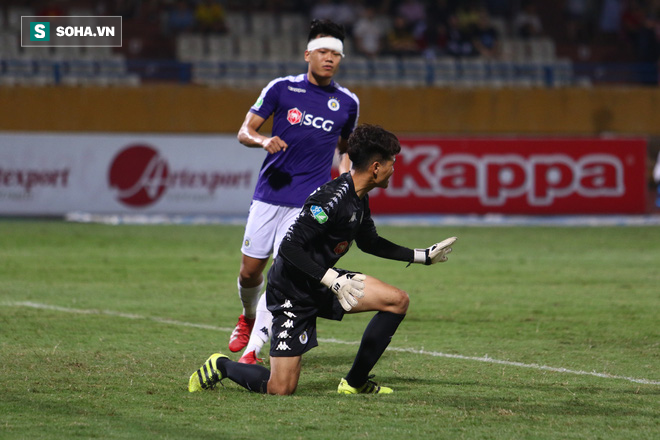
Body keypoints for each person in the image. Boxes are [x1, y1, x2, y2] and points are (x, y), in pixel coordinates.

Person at [189, 123, 457, 395]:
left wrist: (422, 256)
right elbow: (290, 249)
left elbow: (369, 242)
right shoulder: (331, 198)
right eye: (392, 163)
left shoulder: (359, 198)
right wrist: (332, 279)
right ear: (376, 167)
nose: (394, 168)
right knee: (280, 388)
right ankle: (221, 365)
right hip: (291, 289)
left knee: (397, 301)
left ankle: (354, 383)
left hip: (322, 281)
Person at [229, 19, 360, 365]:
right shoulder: (281, 89)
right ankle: (247, 317)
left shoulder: (347, 103)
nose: (329, 59)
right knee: (249, 272)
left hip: (308, 204)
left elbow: (346, 149)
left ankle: (251, 351)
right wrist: (262, 140)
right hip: (269, 196)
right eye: (323, 52)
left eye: (336, 54)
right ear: (308, 54)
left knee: (281, 273)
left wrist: (345, 182)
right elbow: (245, 130)